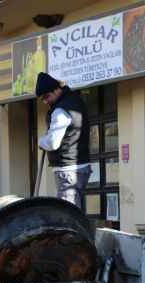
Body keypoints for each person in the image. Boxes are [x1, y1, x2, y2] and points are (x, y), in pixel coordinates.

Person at [35, 72, 91, 209]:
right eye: (42, 99)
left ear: (56, 89)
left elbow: (53, 142)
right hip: (81, 167)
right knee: (75, 212)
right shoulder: (76, 101)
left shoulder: (60, 110)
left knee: (67, 216)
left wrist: (41, 142)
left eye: (46, 96)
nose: (45, 101)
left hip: (67, 170)